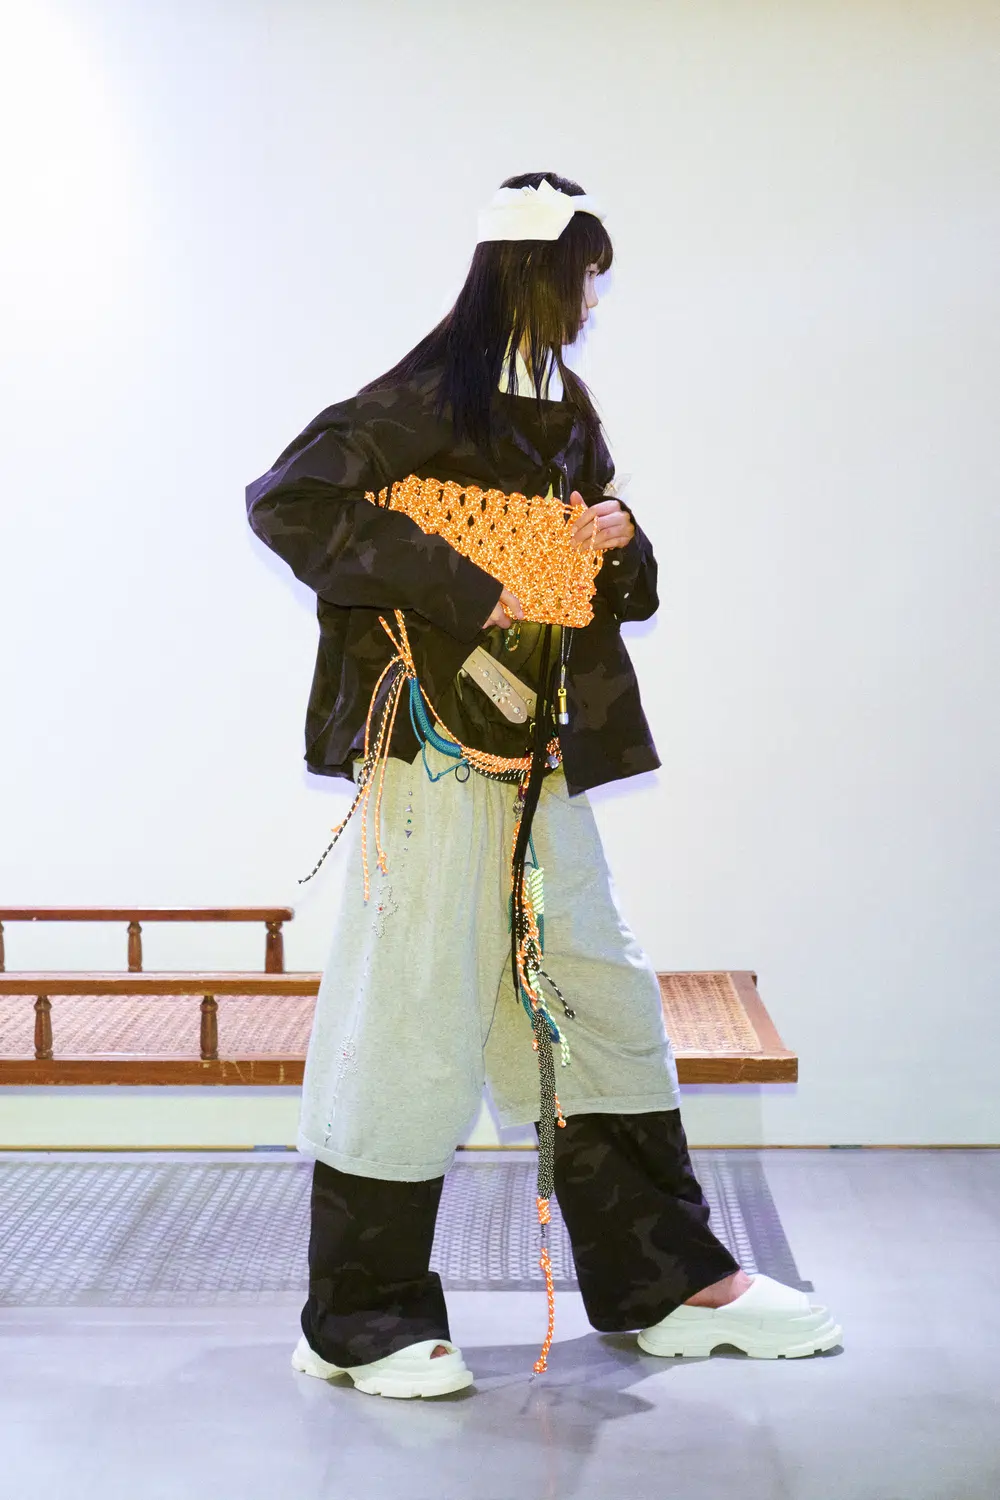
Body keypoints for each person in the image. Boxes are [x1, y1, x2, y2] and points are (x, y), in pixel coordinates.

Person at [245, 171, 842, 1400]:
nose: (590, 300)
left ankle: (667, 1281)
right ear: (536, 272)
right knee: (416, 1006)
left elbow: (612, 578)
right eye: (584, 276)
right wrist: (470, 584)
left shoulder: (564, 409)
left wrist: (619, 543)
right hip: (434, 747)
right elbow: (287, 500)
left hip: (543, 749)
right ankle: (356, 1316)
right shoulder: (420, 398)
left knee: (596, 991)